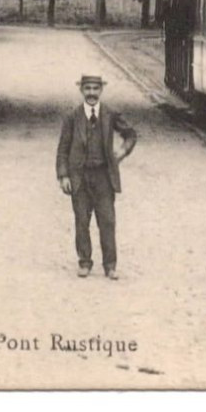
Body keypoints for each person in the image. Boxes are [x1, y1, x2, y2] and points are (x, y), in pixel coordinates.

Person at [56, 74, 138, 279]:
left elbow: (130, 134)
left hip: (103, 177)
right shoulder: (72, 118)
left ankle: (110, 266)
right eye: (87, 89)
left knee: (107, 221)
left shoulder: (110, 114)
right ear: (81, 91)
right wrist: (63, 176)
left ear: (101, 90)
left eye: (95, 88)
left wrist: (122, 151)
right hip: (80, 178)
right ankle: (84, 262)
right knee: (82, 221)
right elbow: (62, 149)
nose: (91, 93)